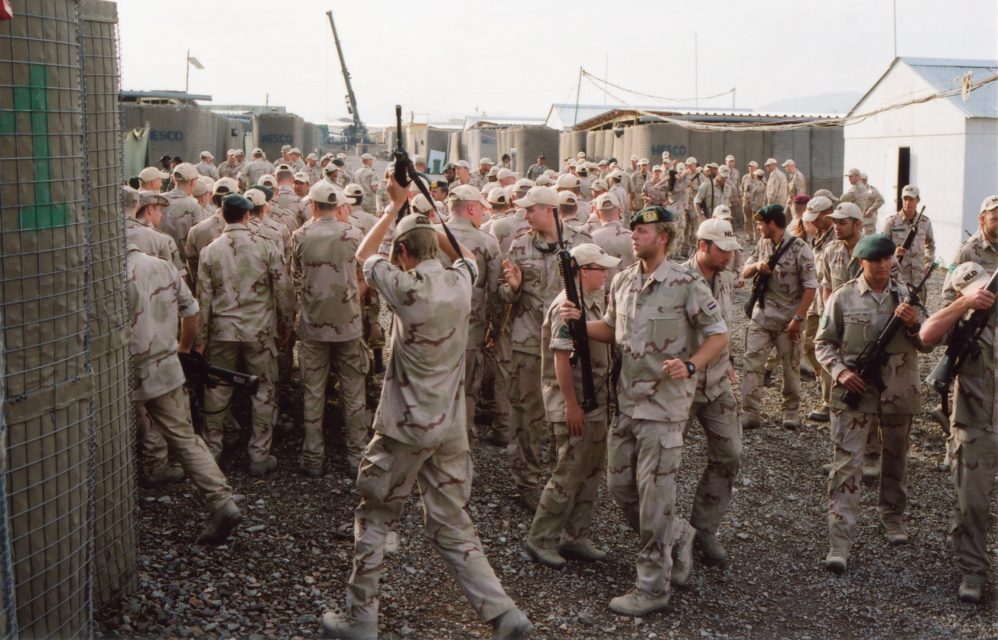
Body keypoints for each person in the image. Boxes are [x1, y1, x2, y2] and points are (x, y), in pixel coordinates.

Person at [320, 175, 534, 640]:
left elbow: (362, 256)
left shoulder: (403, 285)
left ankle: (360, 620)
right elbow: (468, 256)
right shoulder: (461, 281)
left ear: (403, 255)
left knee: (375, 516)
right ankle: (502, 614)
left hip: (403, 426)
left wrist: (395, 208)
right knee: (451, 521)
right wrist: (431, 215)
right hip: (448, 426)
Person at [560, 205, 729, 616]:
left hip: (664, 410)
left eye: (643, 230)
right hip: (627, 405)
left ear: (664, 237)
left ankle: (653, 587)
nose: (634, 236)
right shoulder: (624, 282)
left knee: (655, 499)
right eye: (633, 229)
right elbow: (613, 331)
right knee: (621, 489)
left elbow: (718, 334)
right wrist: (581, 323)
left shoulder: (686, 282)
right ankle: (678, 535)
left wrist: (690, 365)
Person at [815, 234, 929, 573]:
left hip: (898, 390)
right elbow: (823, 343)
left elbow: (927, 342)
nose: (883, 265)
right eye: (875, 260)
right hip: (856, 390)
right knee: (847, 463)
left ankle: (892, 518)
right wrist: (840, 373)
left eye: (887, 259)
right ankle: (839, 539)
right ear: (861, 261)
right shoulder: (843, 297)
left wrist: (912, 325)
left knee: (896, 459)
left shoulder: (908, 295)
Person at [128, 238, 242, 544]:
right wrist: (184, 347)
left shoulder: (104, 276)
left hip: (121, 373)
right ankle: (221, 501)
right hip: (164, 365)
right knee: (185, 438)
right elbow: (192, 312)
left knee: (110, 443)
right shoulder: (161, 265)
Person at [920, 195, 998, 603]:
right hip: (974, 419)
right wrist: (966, 303)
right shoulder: (961, 320)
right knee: (972, 502)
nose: (986, 294)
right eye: (974, 290)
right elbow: (927, 334)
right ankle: (972, 571)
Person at [523, 244, 618, 568]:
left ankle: (575, 536)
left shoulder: (589, 303)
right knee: (567, 471)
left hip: (595, 401)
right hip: (575, 402)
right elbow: (561, 360)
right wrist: (571, 405)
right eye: (599, 268)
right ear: (582, 272)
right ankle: (541, 538)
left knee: (590, 470)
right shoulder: (565, 307)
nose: (605, 274)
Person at [500, 186, 590, 510]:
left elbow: (595, 288)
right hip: (527, 342)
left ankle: (562, 478)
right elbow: (504, 294)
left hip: (568, 344)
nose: (524, 214)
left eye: (530, 209)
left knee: (568, 413)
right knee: (527, 414)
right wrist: (513, 288)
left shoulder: (581, 242)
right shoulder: (519, 244)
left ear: (549, 210)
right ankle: (527, 481)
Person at [196, 194, 294, 475]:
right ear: (248, 215)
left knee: (217, 390)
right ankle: (259, 455)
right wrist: (286, 325)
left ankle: (212, 452)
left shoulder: (210, 250)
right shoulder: (266, 246)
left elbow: (203, 299)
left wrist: (200, 340)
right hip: (259, 332)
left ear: (223, 215)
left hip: (221, 332)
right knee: (263, 391)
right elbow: (284, 290)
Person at [291, 181, 369, 478]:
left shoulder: (300, 236)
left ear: (312, 205)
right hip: (348, 326)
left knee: (313, 392)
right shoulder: (353, 233)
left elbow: (295, 278)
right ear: (338, 206)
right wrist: (350, 298)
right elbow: (365, 276)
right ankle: (357, 457)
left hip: (312, 326)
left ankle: (313, 457)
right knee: (354, 391)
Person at [679, 218, 743, 572]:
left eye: (732, 250)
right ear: (703, 246)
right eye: (723, 250)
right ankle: (668, 535)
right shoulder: (676, 280)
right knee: (665, 465)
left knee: (729, 453)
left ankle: (705, 527)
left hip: (716, 384)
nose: (729, 257)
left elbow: (723, 327)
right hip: (681, 386)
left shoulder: (727, 279)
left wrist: (729, 360)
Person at [740, 205, 817, 430]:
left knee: (790, 366)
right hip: (762, 315)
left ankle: (791, 412)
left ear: (771, 224)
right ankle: (750, 411)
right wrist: (757, 266)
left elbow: (810, 287)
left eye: (760, 223)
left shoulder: (801, 249)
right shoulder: (763, 244)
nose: (758, 227)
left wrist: (799, 319)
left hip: (788, 320)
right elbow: (744, 271)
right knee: (752, 362)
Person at [800, 196, 837, 422]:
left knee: (825, 349)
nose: (812, 223)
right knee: (808, 345)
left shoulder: (836, 238)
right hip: (815, 301)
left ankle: (828, 401)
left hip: (829, 303)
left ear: (827, 214)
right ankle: (822, 378)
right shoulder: (819, 236)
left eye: (816, 219)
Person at [880, 184, 935, 293]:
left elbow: (930, 245)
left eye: (911, 199)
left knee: (918, 309)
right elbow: (881, 248)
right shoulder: (891, 222)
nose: (907, 202)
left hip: (918, 279)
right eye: (905, 199)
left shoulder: (925, 222)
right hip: (898, 277)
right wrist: (894, 252)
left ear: (918, 200)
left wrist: (928, 264)